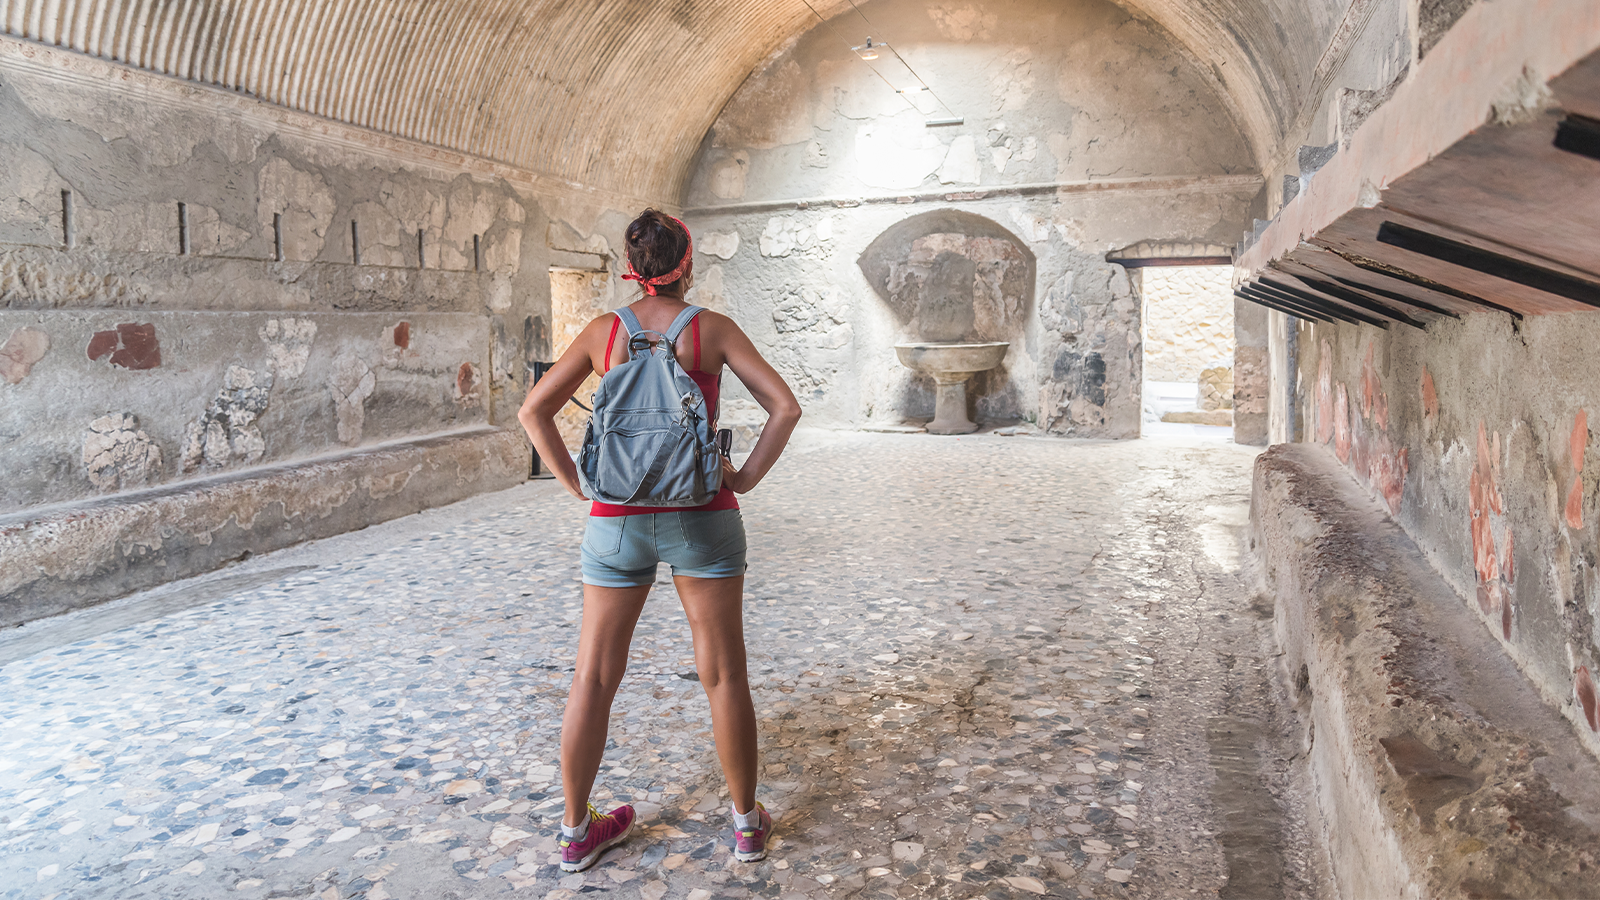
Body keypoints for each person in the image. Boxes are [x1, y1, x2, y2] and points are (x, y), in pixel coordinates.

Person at [517, 209, 802, 872]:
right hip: (703, 512)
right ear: (687, 264)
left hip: (614, 521)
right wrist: (749, 476)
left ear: (632, 268)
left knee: (593, 675)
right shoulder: (714, 331)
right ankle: (745, 825)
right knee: (725, 673)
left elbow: (535, 411)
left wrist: (578, 485)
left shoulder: (601, 334)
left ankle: (576, 832)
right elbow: (784, 406)